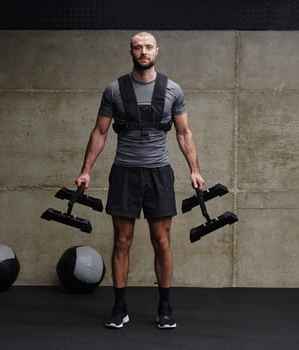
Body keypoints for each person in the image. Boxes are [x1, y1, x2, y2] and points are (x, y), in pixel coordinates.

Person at [75, 32, 205, 330]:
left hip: (159, 173)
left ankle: (165, 307)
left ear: (157, 50)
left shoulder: (172, 90)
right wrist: (86, 170)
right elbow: (100, 132)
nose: (143, 51)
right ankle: (120, 307)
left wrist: (195, 169)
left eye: (148, 47)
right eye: (138, 47)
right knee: (122, 241)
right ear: (131, 51)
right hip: (125, 173)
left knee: (162, 241)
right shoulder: (114, 90)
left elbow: (184, 134)